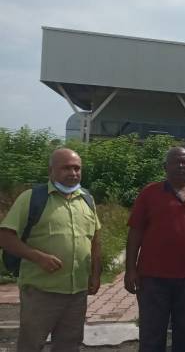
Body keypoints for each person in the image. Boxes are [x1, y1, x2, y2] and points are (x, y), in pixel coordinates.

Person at [0, 148, 102, 352]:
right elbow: (5, 236)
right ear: (51, 171)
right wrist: (37, 257)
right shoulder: (32, 198)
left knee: (69, 345)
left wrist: (95, 275)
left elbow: (95, 240)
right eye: (66, 168)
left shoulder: (87, 200)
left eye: (77, 168)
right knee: (31, 345)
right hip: (40, 292)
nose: (73, 173)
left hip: (77, 293)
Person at [126, 147, 185, 351]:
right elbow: (135, 233)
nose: (181, 166)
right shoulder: (150, 193)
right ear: (165, 167)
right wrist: (130, 269)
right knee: (152, 333)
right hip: (153, 278)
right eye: (176, 162)